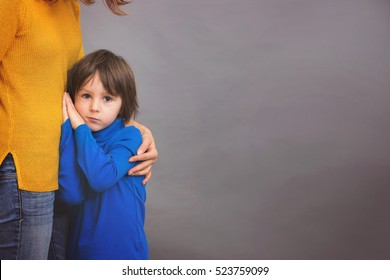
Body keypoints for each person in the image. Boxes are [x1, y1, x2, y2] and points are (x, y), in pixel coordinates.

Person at [0, 0, 157, 260]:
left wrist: (133, 128)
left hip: (65, 164)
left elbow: (81, 86)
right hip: (25, 167)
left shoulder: (70, 6)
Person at [59, 49, 148, 259]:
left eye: (107, 98)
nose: (94, 107)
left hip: (123, 253)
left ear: (122, 104)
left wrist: (79, 126)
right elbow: (71, 193)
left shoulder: (130, 137)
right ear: (72, 99)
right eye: (86, 96)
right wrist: (66, 126)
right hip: (82, 251)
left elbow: (101, 177)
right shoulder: (76, 138)